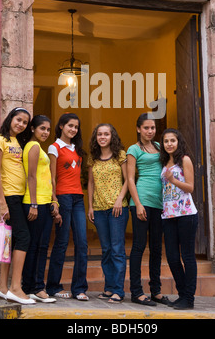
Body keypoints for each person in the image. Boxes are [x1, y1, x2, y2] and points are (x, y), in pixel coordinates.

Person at [0, 107, 36, 305]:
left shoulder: (19, 142)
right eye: (18, 120)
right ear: (11, 118)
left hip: (20, 196)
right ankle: (16, 288)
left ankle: (2, 286)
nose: (21, 124)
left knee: (12, 241)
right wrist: (2, 203)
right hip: (9, 197)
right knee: (24, 237)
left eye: (25, 122)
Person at [127, 113, 168, 306]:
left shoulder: (160, 147)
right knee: (139, 246)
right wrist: (138, 204)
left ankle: (156, 291)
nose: (150, 131)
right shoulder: (133, 150)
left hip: (159, 203)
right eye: (146, 128)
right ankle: (136, 292)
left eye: (152, 128)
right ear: (138, 129)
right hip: (141, 201)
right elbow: (129, 179)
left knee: (157, 248)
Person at [46, 113, 89, 301]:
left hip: (78, 197)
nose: (73, 129)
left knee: (82, 243)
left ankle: (79, 288)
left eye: (76, 127)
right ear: (62, 126)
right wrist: (53, 200)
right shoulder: (54, 147)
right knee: (62, 243)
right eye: (70, 126)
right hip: (62, 198)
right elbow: (51, 177)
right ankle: (53, 287)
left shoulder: (77, 148)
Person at [87, 124, 129, 303]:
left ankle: (118, 291)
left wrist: (120, 199)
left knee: (117, 249)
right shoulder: (93, 158)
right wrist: (90, 206)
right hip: (99, 208)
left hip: (117, 208)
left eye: (106, 134)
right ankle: (109, 288)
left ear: (112, 136)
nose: (102, 137)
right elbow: (90, 183)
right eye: (99, 134)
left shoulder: (121, 154)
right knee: (106, 250)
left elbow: (128, 180)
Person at [22, 115, 59, 303]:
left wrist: (53, 200)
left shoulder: (37, 147)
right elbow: (31, 177)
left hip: (43, 202)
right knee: (38, 246)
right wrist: (35, 204)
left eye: (47, 129)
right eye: (42, 128)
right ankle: (36, 287)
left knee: (38, 245)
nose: (45, 132)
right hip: (36, 203)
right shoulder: (34, 147)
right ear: (33, 129)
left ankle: (30, 287)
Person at [160, 128, 198, 310]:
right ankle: (182, 294)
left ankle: (188, 298)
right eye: (166, 141)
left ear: (178, 141)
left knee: (187, 256)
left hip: (186, 214)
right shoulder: (164, 161)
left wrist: (173, 180)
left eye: (172, 141)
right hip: (169, 215)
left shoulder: (184, 159)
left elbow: (190, 187)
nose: (169, 144)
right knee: (172, 257)